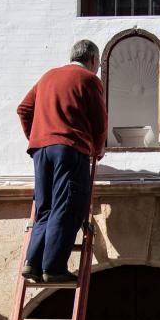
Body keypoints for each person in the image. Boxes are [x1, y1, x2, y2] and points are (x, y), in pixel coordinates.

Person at [17, 40, 107, 283]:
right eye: (97, 63)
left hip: (40, 151)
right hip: (69, 149)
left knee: (44, 207)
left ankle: (32, 263)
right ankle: (53, 267)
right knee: (66, 205)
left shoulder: (48, 77)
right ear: (92, 60)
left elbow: (24, 109)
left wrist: (38, 137)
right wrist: (97, 150)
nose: (97, 68)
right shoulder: (88, 80)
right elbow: (99, 122)